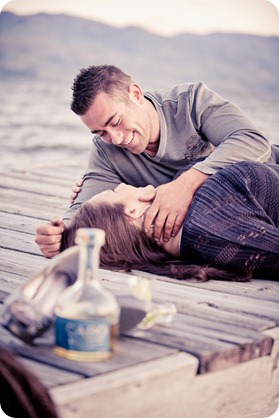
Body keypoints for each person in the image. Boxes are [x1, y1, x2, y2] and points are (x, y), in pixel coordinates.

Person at [35, 65, 279, 258]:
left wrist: (185, 185)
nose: (116, 138)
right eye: (101, 132)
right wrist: (59, 232)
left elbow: (253, 141)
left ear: (136, 95)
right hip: (231, 225)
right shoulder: (105, 151)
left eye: (116, 121)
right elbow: (87, 205)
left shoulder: (191, 101)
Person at [61, 161, 279, 280]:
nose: (123, 184)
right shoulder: (210, 230)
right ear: (133, 211)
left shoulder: (183, 206)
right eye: (116, 190)